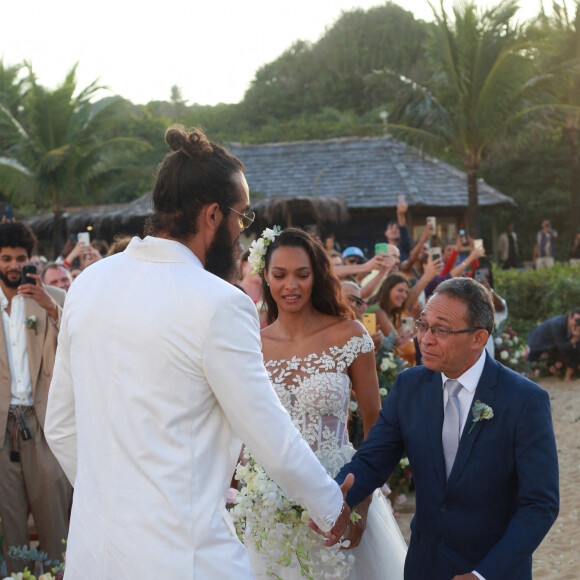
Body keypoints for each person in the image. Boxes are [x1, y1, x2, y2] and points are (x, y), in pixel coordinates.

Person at [44, 127, 351, 580]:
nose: (242, 234)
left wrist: (114, 501)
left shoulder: (88, 284)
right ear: (213, 215)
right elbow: (268, 432)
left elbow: (60, 427)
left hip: (94, 555)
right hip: (183, 558)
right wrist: (329, 505)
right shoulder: (219, 304)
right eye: (241, 218)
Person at [331, 277, 559, 580]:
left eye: (441, 330)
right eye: (422, 325)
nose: (424, 339)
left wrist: (482, 574)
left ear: (478, 338)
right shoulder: (409, 387)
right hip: (425, 566)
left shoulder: (524, 400)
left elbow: (540, 504)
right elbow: (372, 460)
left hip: (493, 568)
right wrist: (333, 501)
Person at [242, 227, 406, 579]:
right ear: (265, 278)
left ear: (316, 275)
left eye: (302, 274)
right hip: (271, 502)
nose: (292, 286)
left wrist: (361, 499)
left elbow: (376, 425)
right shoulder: (251, 344)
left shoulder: (349, 336)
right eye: (280, 275)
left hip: (342, 492)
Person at [0, 222, 73, 574]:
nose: (14, 265)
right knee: (11, 531)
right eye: (6, 258)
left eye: (21, 258)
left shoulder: (55, 299)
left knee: (54, 524)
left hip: (45, 427)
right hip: (3, 431)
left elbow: (81, 344)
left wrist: (50, 306)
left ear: (32, 260)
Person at [527, 308, 580, 381]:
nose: (577, 323)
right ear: (570, 317)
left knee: (577, 348)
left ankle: (567, 376)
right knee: (529, 368)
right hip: (538, 345)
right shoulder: (558, 324)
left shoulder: (572, 326)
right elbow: (562, 347)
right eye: (577, 320)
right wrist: (575, 337)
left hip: (553, 346)